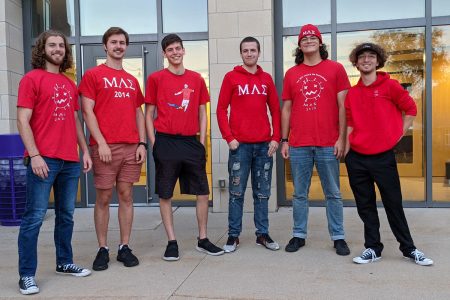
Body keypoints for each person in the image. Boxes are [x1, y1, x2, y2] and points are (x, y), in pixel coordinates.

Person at [16, 29, 92, 295]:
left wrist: (85, 151)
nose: (58, 49)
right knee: (34, 218)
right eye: (52, 45)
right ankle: (26, 275)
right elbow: (23, 120)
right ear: (42, 49)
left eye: (61, 45)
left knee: (66, 216)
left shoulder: (70, 84)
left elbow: (74, 121)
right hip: (44, 159)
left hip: (69, 160)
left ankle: (64, 262)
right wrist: (34, 155)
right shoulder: (31, 79)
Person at [345, 42, 433, 266]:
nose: (366, 60)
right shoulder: (352, 94)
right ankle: (373, 248)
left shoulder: (390, 86)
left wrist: (397, 135)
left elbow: (411, 110)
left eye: (371, 56)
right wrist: (346, 149)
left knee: (393, 204)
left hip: (383, 158)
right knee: (365, 206)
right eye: (362, 56)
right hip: (357, 158)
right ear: (356, 63)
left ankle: (409, 248)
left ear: (378, 61)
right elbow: (350, 125)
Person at [145, 34, 224, 261]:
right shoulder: (156, 79)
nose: (175, 52)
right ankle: (172, 242)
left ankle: (203, 239)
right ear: (164, 54)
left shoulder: (196, 79)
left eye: (178, 48)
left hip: (191, 142)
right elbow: (148, 114)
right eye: (170, 50)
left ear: (183, 50)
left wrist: (201, 142)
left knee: (202, 192)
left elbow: (202, 112)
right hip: (166, 141)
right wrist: (155, 143)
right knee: (166, 193)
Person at [80, 27, 146, 271]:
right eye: (114, 42)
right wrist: (101, 142)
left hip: (131, 148)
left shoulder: (131, 80)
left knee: (127, 196)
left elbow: (138, 112)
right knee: (104, 198)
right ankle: (102, 248)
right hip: (104, 148)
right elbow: (87, 111)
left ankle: (124, 247)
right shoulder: (94, 75)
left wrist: (141, 142)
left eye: (122, 43)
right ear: (105, 46)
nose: (118, 46)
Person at [281, 24, 351, 255]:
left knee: (333, 192)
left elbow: (344, 106)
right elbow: (287, 109)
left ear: (320, 42)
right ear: (300, 45)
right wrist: (284, 139)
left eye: (313, 37)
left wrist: (342, 138)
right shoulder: (292, 74)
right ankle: (298, 235)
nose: (309, 40)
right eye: (304, 38)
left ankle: (338, 236)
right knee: (300, 193)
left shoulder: (336, 69)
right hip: (299, 142)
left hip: (328, 142)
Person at [216, 36, 281, 252]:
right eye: (246, 50)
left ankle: (262, 234)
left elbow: (276, 110)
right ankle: (233, 236)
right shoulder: (231, 77)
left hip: (264, 146)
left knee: (262, 194)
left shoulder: (266, 79)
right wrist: (229, 137)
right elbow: (220, 109)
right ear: (241, 53)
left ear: (259, 52)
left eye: (253, 50)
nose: (249, 53)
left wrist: (276, 137)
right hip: (240, 147)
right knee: (236, 193)